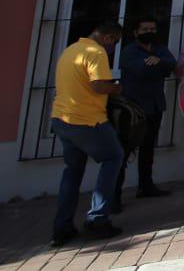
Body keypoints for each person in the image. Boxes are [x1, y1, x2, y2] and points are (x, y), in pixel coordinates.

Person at [49, 21, 124, 247]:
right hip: (88, 120)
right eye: (115, 42)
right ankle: (97, 219)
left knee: (72, 171)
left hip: (62, 119)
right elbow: (99, 85)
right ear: (109, 38)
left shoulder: (71, 50)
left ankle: (62, 227)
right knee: (113, 157)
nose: (113, 48)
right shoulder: (96, 52)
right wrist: (117, 87)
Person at [115, 16, 176, 206]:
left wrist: (158, 62)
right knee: (124, 151)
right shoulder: (129, 52)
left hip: (154, 106)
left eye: (152, 28)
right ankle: (114, 195)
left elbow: (171, 64)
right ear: (135, 32)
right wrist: (159, 65)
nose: (149, 32)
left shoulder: (159, 49)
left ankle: (146, 185)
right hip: (132, 109)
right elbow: (141, 70)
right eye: (145, 29)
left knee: (148, 149)